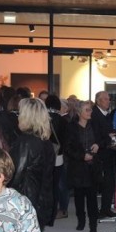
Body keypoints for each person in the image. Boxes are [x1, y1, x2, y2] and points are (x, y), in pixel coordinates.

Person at [9, 98, 55, 232]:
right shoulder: (45, 143)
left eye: (20, 113)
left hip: (26, 203)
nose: (17, 116)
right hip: (41, 202)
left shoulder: (26, 142)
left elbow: (14, 175)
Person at [66, 100, 100, 232]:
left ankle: (93, 225)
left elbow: (104, 139)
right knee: (79, 197)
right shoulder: (71, 127)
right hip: (78, 168)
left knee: (92, 198)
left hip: (93, 167)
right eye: (87, 110)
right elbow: (68, 148)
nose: (90, 112)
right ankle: (81, 221)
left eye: (90, 109)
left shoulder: (95, 125)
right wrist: (81, 156)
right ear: (80, 112)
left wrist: (98, 145)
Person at [91, 90, 116, 218]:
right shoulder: (95, 115)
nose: (108, 101)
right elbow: (96, 136)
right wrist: (108, 137)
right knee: (100, 183)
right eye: (105, 99)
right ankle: (98, 210)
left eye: (108, 99)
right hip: (99, 154)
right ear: (98, 101)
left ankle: (105, 208)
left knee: (109, 182)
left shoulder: (106, 115)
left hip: (107, 153)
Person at [46, 94, 69, 222]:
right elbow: (66, 139)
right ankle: (63, 208)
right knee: (60, 184)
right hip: (59, 154)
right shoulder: (62, 120)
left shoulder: (44, 119)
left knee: (50, 183)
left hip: (47, 154)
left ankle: (51, 210)